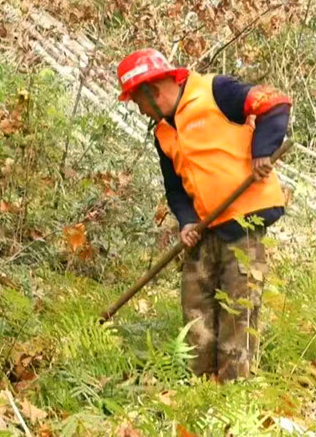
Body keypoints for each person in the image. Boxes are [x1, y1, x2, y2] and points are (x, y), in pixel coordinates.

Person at [116, 48, 292, 381]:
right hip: (205, 228)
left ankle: (233, 394)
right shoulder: (163, 133)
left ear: (151, 91)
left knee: (237, 312)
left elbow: (276, 102)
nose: (140, 111)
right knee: (195, 307)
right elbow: (176, 189)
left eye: (137, 102)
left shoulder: (215, 92)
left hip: (243, 220)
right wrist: (185, 223)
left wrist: (262, 152)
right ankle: (198, 388)